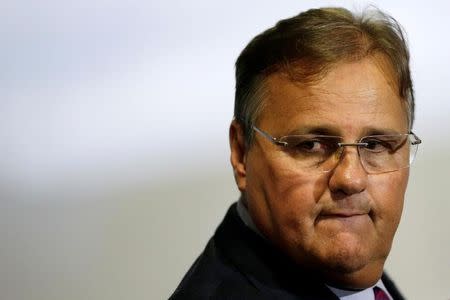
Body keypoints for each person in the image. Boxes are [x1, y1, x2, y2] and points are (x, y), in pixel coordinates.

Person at [170, 6, 421, 300]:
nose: (351, 179)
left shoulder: (344, 268)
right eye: (311, 145)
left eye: (374, 145)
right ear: (241, 153)